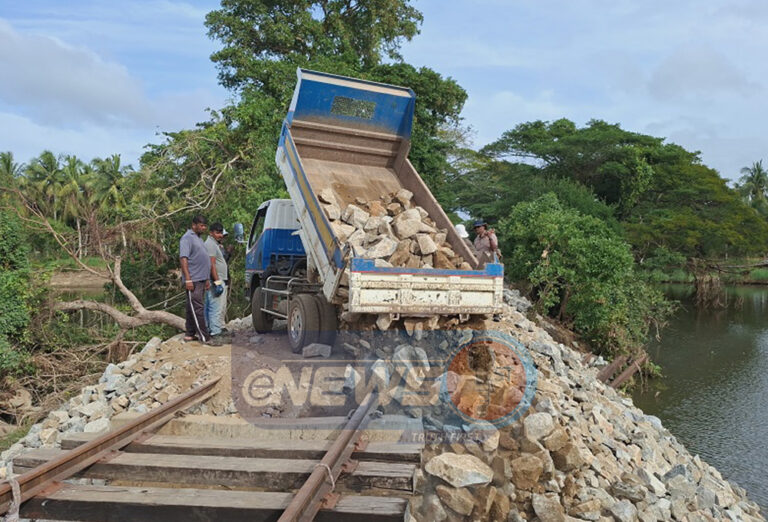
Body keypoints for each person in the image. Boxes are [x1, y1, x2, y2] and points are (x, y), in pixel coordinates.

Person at [180, 215, 213, 344]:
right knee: (197, 307)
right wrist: (188, 279)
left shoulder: (198, 239)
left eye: (205, 226)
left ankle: (189, 333)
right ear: (194, 225)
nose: (203, 228)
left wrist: (206, 279)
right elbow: (183, 258)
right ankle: (205, 337)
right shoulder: (187, 238)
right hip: (193, 279)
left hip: (201, 278)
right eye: (201, 226)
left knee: (191, 306)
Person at [204, 223, 229, 338]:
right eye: (217, 232)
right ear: (211, 233)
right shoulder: (210, 244)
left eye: (220, 232)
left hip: (217, 278)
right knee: (215, 307)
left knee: (214, 305)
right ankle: (215, 333)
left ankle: (213, 329)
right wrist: (217, 282)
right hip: (215, 279)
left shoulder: (214, 244)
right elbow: (211, 264)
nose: (219, 235)